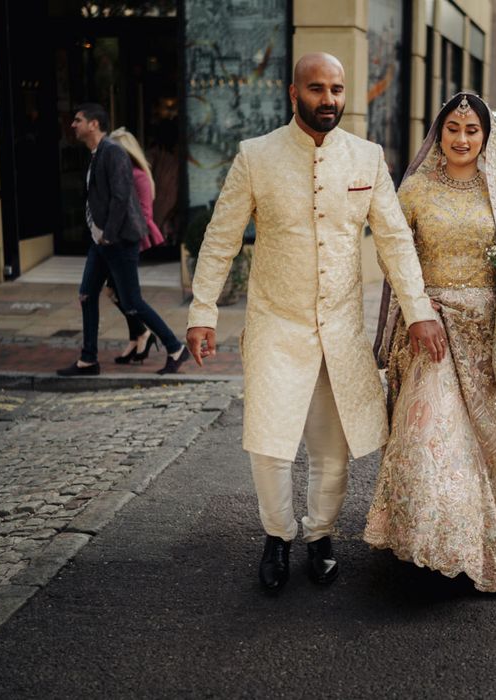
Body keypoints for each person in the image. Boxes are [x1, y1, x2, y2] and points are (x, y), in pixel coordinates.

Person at [186, 53, 445, 593]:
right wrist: (203, 312)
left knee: (333, 447)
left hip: (341, 330)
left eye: (337, 89)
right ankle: (277, 537)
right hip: (276, 325)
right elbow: (220, 239)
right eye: (317, 89)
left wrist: (419, 310)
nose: (329, 99)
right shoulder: (255, 157)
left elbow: (395, 241)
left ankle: (320, 534)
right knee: (270, 444)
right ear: (293, 92)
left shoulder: (367, 157)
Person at [364, 93, 496, 599]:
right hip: (433, 331)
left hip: (488, 334)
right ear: (439, 131)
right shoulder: (417, 189)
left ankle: (476, 550)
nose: (462, 138)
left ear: (486, 137)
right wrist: (421, 307)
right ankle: (429, 543)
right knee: (433, 433)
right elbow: (392, 254)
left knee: (484, 446)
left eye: (472, 130)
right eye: (453, 128)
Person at [56, 103, 189, 377]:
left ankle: (175, 347)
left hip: (117, 241)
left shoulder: (113, 153)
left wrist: (108, 234)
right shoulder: (96, 154)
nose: (73, 125)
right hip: (101, 243)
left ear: (94, 124)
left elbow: (120, 196)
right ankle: (88, 359)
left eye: (78, 120)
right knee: (86, 294)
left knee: (132, 302)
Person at [106, 126, 166, 365]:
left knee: (125, 294)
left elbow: (144, 212)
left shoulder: (138, 175)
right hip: (122, 237)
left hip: (131, 238)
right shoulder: (124, 173)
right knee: (116, 292)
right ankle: (138, 336)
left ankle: (144, 334)